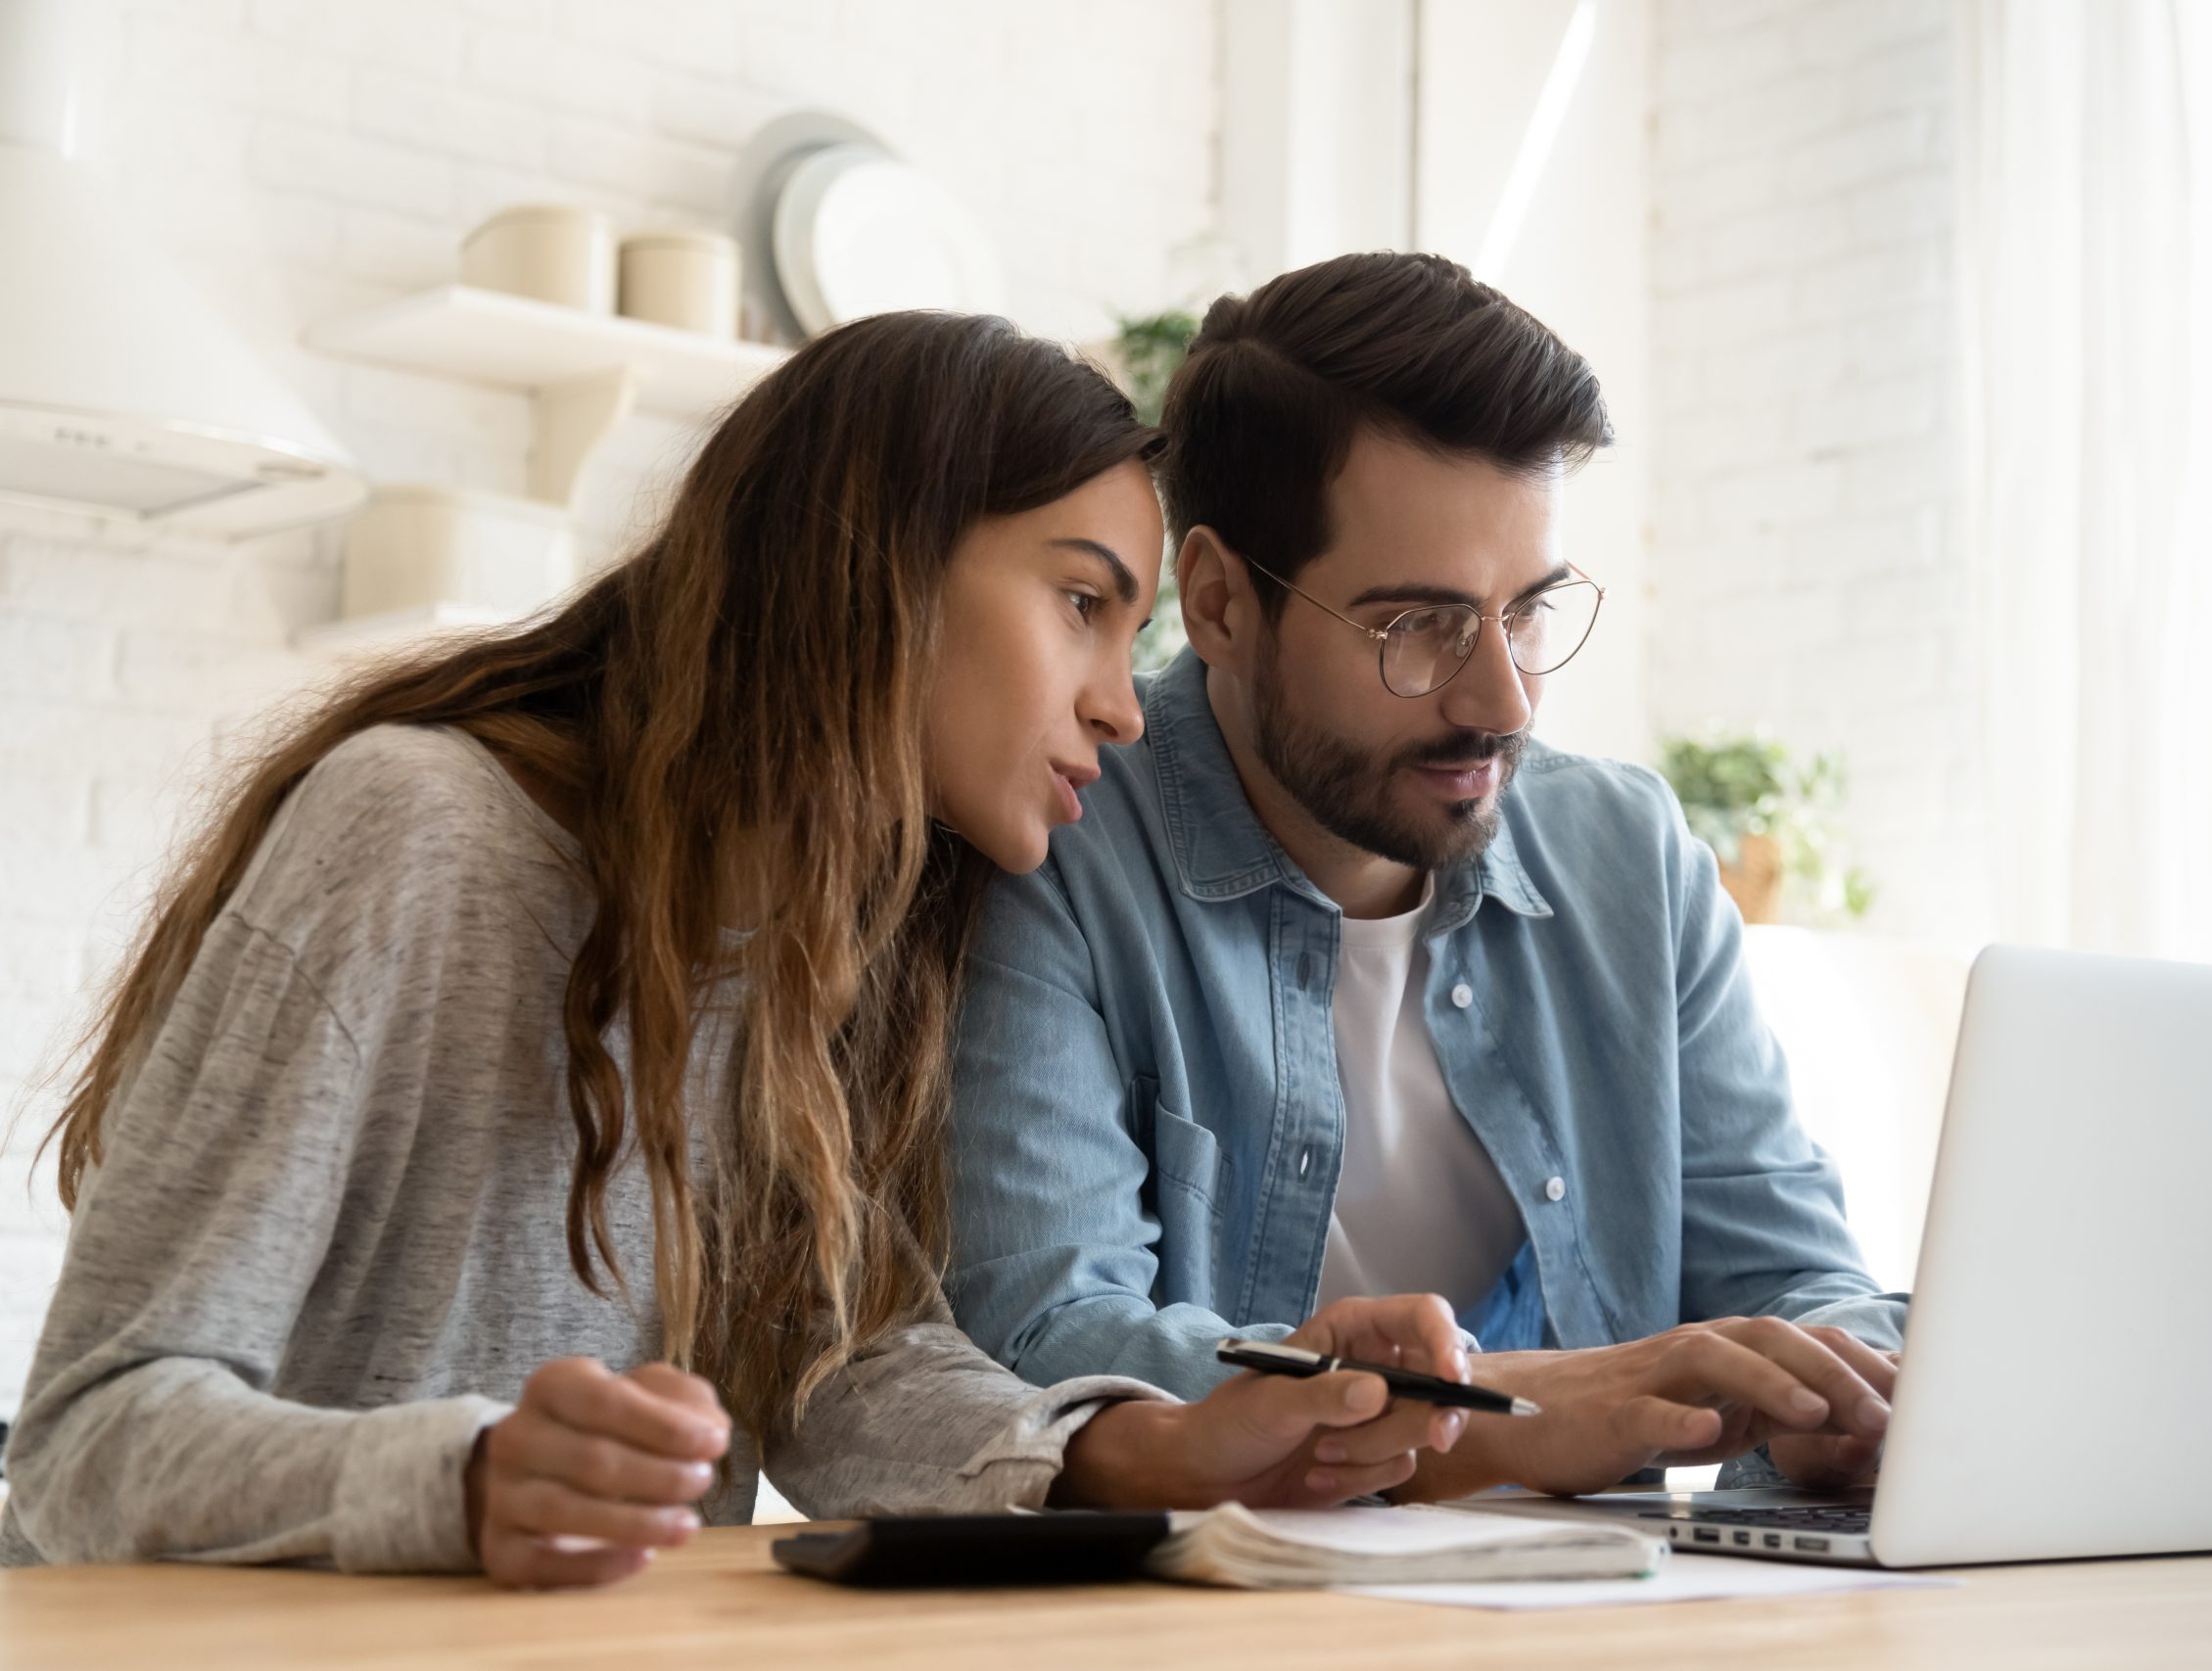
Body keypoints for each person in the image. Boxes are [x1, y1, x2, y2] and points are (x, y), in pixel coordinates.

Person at [0, 310, 1473, 1588]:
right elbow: (89, 1431)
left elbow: (840, 1367)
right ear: (873, 564)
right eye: (1081, 601)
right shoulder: (419, 832)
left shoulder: (843, 942)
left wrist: (1154, 1448)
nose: (1124, 707)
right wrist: (461, 1480)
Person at [946, 254, 1906, 1502]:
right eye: (1420, 627)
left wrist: (1844, 1396)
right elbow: (1045, 1338)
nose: (1500, 701)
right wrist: (1496, 1418)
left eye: (1529, 612)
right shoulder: (1049, 847)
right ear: (1224, 603)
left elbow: (1792, 1274)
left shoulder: (1629, 859)